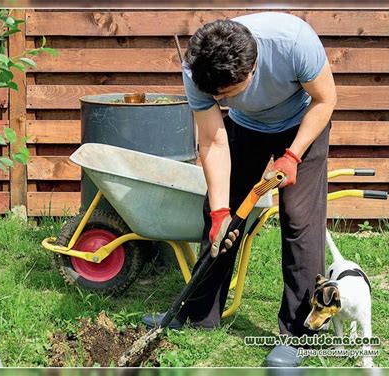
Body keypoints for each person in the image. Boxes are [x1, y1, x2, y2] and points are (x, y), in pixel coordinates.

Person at [142, 12, 337, 367]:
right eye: (217, 95)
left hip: (303, 122)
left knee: (299, 220)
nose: (222, 98)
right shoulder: (197, 69)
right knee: (219, 214)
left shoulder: (293, 42)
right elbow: (213, 141)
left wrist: (292, 155)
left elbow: (326, 100)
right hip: (247, 128)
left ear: (253, 68)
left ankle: (301, 335)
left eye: (229, 93)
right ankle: (200, 315)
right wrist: (220, 213)